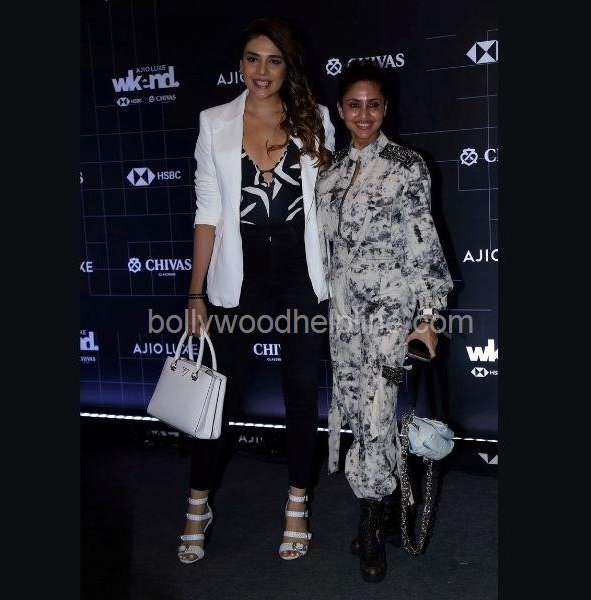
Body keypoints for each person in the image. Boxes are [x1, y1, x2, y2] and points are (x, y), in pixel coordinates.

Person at [177, 17, 335, 563]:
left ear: (288, 66)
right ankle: (197, 503)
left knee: (300, 391)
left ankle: (297, 502)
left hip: (300, 271)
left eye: (273, 60)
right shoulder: (213, 121)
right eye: (252, 58)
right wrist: (195, 293)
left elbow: (328, 203)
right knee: (218, 395)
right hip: (237, 272)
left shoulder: (315, 119)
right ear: (240, 63)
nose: (261, 70)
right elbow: (206, 212)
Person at [315, 60, 453, 582]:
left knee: (377, 415)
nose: (364, 114)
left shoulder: (406, 165)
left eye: (373, 104)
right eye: (354, 105)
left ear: (386, 108)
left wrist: (428, 317)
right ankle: (388, 509)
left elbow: (424, 245)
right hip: (344, 316)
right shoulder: (328, 172)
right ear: (340, 110)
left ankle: (372, 527)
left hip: (391, 314)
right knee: (358, 413)